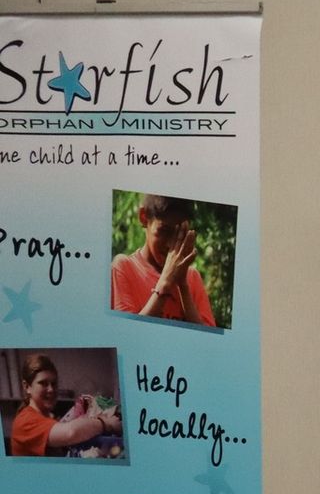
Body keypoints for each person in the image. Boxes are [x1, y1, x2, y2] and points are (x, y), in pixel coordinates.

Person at [109, 194, 216, 326]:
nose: (170, 245)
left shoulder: (192, 278)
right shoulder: (123, 268)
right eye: (164, 231)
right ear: (144, 217)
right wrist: (165, 282)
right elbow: (127, 333)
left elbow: (206, 340)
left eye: (179, 234)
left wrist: (183, 285)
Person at [8, 353, 122, 457]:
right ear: (27, 386)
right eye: (43, 383)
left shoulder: (46, 418)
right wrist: (106, 423)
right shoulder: (25, 420)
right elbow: (70, 433)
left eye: (54, 383)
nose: (51, 389)